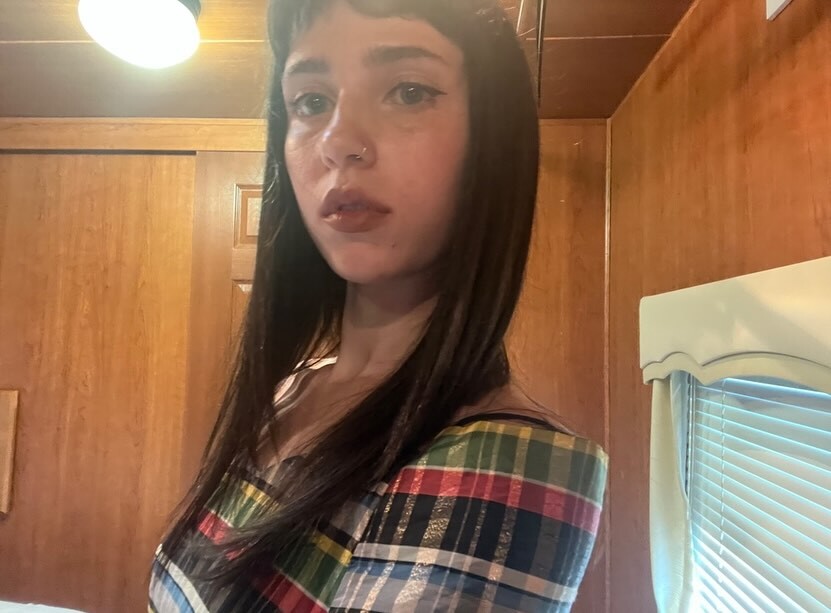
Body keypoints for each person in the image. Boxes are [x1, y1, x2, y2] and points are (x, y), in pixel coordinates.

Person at [149, 0, 608, 610]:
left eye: (409, 91)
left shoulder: (511, 463)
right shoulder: (291, 389)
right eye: (311, 101)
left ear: (491, 139)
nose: (338, 142)